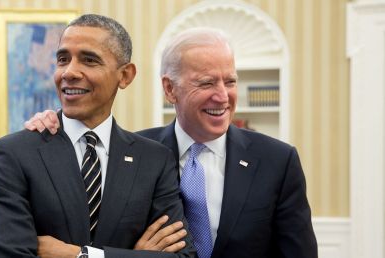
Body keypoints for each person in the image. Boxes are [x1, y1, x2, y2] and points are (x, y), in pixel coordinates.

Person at [26, 28, 318, 257]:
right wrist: (54, 124)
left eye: (229, 82)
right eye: (206, 83)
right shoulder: (131, 152)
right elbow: (100, 239)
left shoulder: (277, 161)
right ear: (170, 89)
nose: (222, 96)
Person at [0, 14, 197, 258]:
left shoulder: (154, 160)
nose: (69, 72)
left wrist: (82, 255)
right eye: (63, 59)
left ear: (125, 75)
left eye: (89, 60)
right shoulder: (14, 154)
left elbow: (182, 256)